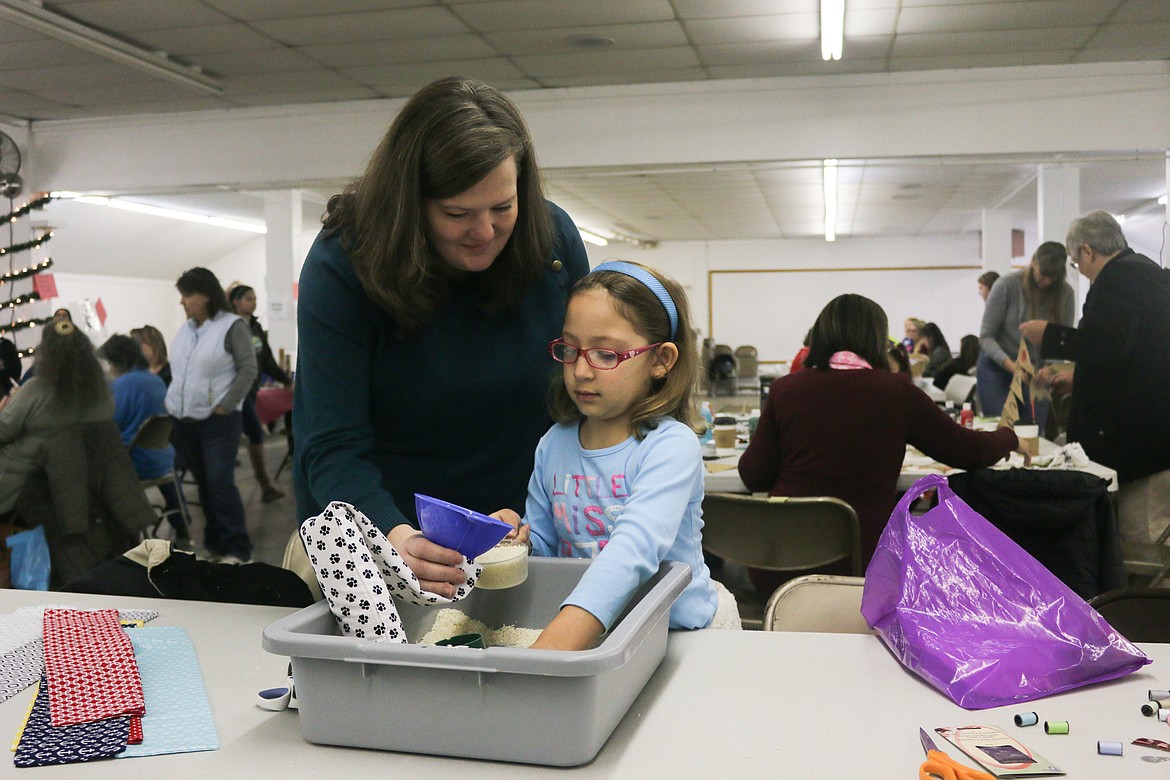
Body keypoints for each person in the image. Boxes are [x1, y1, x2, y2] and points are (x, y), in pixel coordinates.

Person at [293, 76, 589, 598]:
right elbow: (330, 444)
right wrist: (390, 536)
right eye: (457, 214)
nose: (484, 232)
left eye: (503, 207)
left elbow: (582, 404)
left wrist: (540, 513)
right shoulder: (346, 261)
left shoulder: (551, 240)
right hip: (380, 528)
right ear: (410, 203)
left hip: (518, 532)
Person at [493, 261, 734, 651]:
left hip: (675, 636)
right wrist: (516, 538)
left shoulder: (670, 446)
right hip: (591, 634)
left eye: (606, 355)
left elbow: (632, 550)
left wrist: (547, 654)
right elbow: (546, 547)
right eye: (571, 350)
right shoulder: (554, 443)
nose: (581, 371)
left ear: (661, 360)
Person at [738, 294, 1023, 567]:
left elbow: (754, 476)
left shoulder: (785, 390)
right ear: (876, 338)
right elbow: (967, 450)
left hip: (781, 561)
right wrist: (1008, 437)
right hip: (867, 562)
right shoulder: (895, 391)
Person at [1020, 211, 1170, 546]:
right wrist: (1078, 375)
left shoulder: (1115, 281)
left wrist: (1050, 335)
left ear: (1088, 251)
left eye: (1077, 262)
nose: (1082, 272)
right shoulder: (1147, 273)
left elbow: (1107, 345)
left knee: (1142, 541)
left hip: (1139, 439)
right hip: (1156, 430)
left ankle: (1144, 601)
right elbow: (1132, 352)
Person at [165, 267, 258, 564]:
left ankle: (237, 549)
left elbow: (248, 369)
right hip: (186, 420)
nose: (183, 302)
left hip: (218, 421)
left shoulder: (231, 327)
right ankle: (216, 544)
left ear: (205, 295)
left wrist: (226, 405)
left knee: (220, 482)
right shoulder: (188, 329)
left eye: (187, 295)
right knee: (205, 484)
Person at [0, 320, 114, 520]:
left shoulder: (36, 389)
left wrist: (3, 410)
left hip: (26, 485)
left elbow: (3, 431)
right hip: (83, 484)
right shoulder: (102, 391)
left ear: (45, 353)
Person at [99, 333, 191, 549]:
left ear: (115, 362)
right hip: (163, 459)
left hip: (136, 463)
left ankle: (120, 537)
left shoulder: (121, 386)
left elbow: (110, 427)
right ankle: (182, 520)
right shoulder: (155, 380)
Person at [977, 241, 1074, 424]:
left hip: (1036, 372)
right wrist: (1011, 365)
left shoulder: (1066, 294)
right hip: (997, 367)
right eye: (1043, 274)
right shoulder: (1006, 285)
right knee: (1001, 428)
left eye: (1052, 277)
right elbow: (986, 336)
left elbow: (1063, 340)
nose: (1046, 281)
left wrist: (1050, 369)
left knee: (1034, 429)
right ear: (1033, 262)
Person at [227, 283, 291, 503]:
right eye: (248, 298)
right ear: (235, 301)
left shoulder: (255, 328)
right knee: (252, 434)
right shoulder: (227, 327)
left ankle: (264, 486)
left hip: (250, 391)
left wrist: (286, 380)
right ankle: (263, 485)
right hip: (234, 392)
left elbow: (267, 361)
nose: (253, 303)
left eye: (254, 298)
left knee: (252, 435)